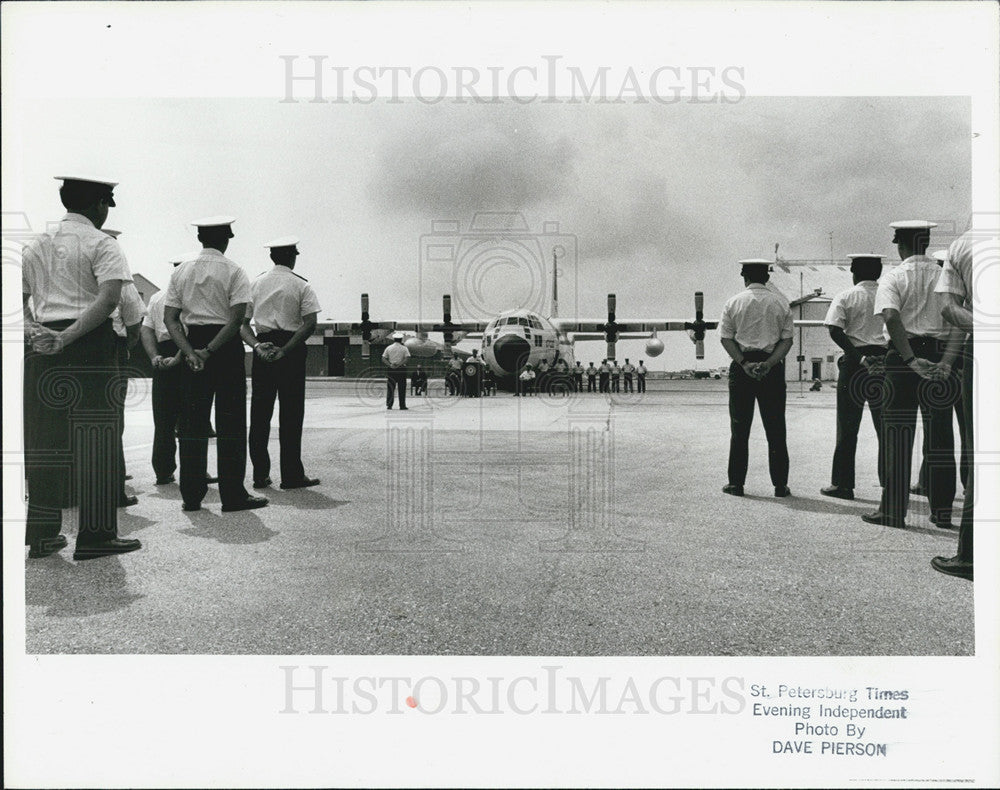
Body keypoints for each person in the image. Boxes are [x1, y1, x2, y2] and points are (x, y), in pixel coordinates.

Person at [21, 175, 141, 560]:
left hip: (44, 345)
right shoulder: (102, 243)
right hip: (89, 345)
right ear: (99, 205)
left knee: (45, 442)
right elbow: (108, 301)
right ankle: (96, 536)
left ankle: (41, 535)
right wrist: (69, 338)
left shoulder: (37, 243)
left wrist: (36, 331)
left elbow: (13, 300)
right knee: (97, 441)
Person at [164, 216, 267, 513]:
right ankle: (233, 495)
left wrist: (190, 352)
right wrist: (210, 351)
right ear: (226, 239)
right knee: (231, 422)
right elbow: (236, 319)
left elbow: (170, 319)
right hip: (224, 348)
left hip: (191, 344)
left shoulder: (181, 271)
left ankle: (192, 495)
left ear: (200, 239)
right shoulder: (234, 271)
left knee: (192, 423)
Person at [863, 221, 961, 530]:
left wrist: (909, 359)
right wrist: (946, 361)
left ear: (898, 243)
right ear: (928, 241)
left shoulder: (894, 276)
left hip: (903, 359)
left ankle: (892, 510)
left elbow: (891, 317)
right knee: (941, 435)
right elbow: (959, 319)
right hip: (940, 356)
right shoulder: (947, 274)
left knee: (898, 435)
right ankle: (942, 511)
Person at [240, 236, 321, 490]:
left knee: (260, 414)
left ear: (272, 257)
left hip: (262, 348)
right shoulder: (301, 286)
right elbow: (309, 324)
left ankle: (260, 475)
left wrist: (256, 346)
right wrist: (285, 351)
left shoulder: (255, 284)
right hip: (292, 351)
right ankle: (291, 475)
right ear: (293, 257)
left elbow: (242, 324)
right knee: (291, 414)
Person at [141, 253, 219, 486]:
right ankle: (194, 472)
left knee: (163, 418)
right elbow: (185, 333)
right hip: (183, 355)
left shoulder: (156, 297)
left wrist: (155, 357)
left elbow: (147, 330)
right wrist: (180, 357)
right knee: (191, 418)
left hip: (163, 356)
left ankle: (163, 471)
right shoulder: (191, 297)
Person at [719, 258, 794, 497]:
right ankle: (780, 485)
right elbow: (787, 340)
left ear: (745, 277)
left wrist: (744, 363)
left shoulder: (733, 302)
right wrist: (770, 364)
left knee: (740, 429)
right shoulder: (781, 303)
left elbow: (726, 338)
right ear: (768, 278)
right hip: (771, 369)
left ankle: (736, 484)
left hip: (742, 368)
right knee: (776, 429)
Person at [820, 254, 888, 501]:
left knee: (847, 428)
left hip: (855, 364)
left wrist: (859, 357)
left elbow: (835, 330)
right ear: (879, 272)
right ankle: (890, 486)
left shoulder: (846, 296)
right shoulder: (889, 295)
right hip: (884, 363)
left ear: (854, 272)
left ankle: (843, 484)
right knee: (886, 428)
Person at [930, 230, 977, 580]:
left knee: (980, 453)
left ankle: (971, 555)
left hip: (986, 350)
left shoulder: (964, 244)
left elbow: (949, 307)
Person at [911, 248, 968, 496]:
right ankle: (968, 485)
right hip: (963, 364)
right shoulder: (968, 292)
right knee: (966, 430)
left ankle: (928, 482)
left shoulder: (938, 295)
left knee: (936, 428)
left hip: (945, 362)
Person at [383, 333, 410, 409]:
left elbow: (383, 358)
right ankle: (402, 405)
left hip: (391, 369)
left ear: (394, 339)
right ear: (401, 339)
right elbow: (407, 358)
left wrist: (390, 365)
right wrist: (399, 364)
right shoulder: (404, 348)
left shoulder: (389, 348)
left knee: (391, 387)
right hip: (401, 369)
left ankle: (389, 404)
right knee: (402, 388)